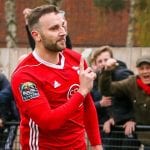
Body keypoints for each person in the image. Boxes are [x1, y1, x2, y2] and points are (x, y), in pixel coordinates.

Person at [11, 5, 102, 150]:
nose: (63, 32)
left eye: (63, 26)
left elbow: (87, 106)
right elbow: (48, 122)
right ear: (36, 35)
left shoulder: (76, 60)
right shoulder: (24, 75)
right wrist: (81, 92)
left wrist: (97, 144)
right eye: (54, 28)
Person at [90, 46, 139, 150]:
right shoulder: (98, 79)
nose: (103, 63)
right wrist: (111, 117)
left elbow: (137, 98)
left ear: (113, 60)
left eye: (106, 60)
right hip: (110, 127)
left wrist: (134, 119)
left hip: (128, 127)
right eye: (100, 61)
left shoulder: (122, 74)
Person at [99, 55, 150, 149]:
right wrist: (107, 71)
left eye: (148, 68)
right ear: (138, 70)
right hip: (145, 138)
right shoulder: (132, 83)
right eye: (142, 68)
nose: (145, 71)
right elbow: (107, 90)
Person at [0, 72, 19, 150]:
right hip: (6, 117)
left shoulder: (2, 79)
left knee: (6, 146)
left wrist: (2, 118)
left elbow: (3, 98)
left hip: (11, 119)